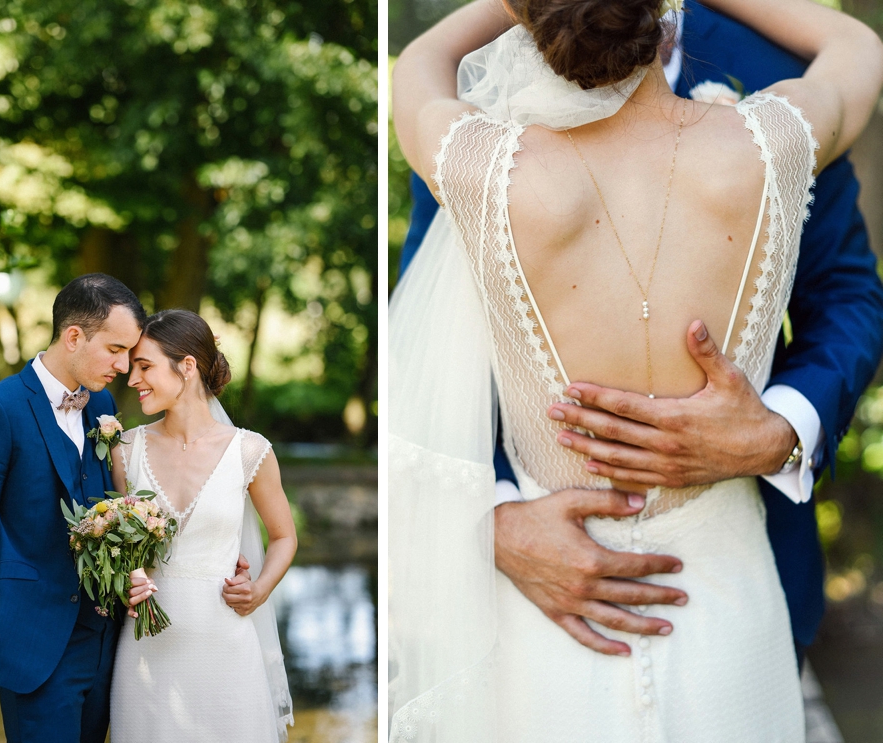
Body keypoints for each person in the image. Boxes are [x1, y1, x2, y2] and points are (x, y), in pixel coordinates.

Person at [389, 0, 883, 740]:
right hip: (719, 596)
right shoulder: (772, 140)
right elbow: (855, 41)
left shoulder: (477, 164)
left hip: (553, 639)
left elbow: (417, 64)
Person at [0, 274, 147, 743]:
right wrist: (0, 639)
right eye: (115, 349)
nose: (125, 365)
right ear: (74, 336)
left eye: (130, 352)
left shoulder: (103, 406)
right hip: (32, 648)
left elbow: (113, 506)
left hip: (106, 642)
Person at [109, 309, 297, 743]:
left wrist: (260, 588)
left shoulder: (250, 451)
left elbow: (285, 537)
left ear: (187, 366)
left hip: (226, 648)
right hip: (146, 656)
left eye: (145, 366)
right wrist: (128, 578)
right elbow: (116, 544)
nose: (132, 378)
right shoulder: (125, 449)